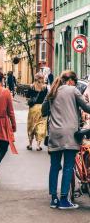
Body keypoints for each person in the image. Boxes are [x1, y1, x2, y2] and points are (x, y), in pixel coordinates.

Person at [42, 70, 90, 210]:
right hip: (70, 134)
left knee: (55, 166)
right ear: (71, 81)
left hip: (55, 134)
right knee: (68, 166)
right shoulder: (73, 90)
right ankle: (64, 199)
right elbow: (86, 107)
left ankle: (54, 199)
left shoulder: (52, 90)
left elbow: (44, 111)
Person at [26, 73, 48, 151]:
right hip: (42, 108)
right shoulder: (45, 88)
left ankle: (30, 144)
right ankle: (38, 146)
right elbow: (46, 99)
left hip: (33, 109)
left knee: (31, 125)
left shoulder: (31, 87)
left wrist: (30, 101)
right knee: (41, 125)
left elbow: (27, 98)